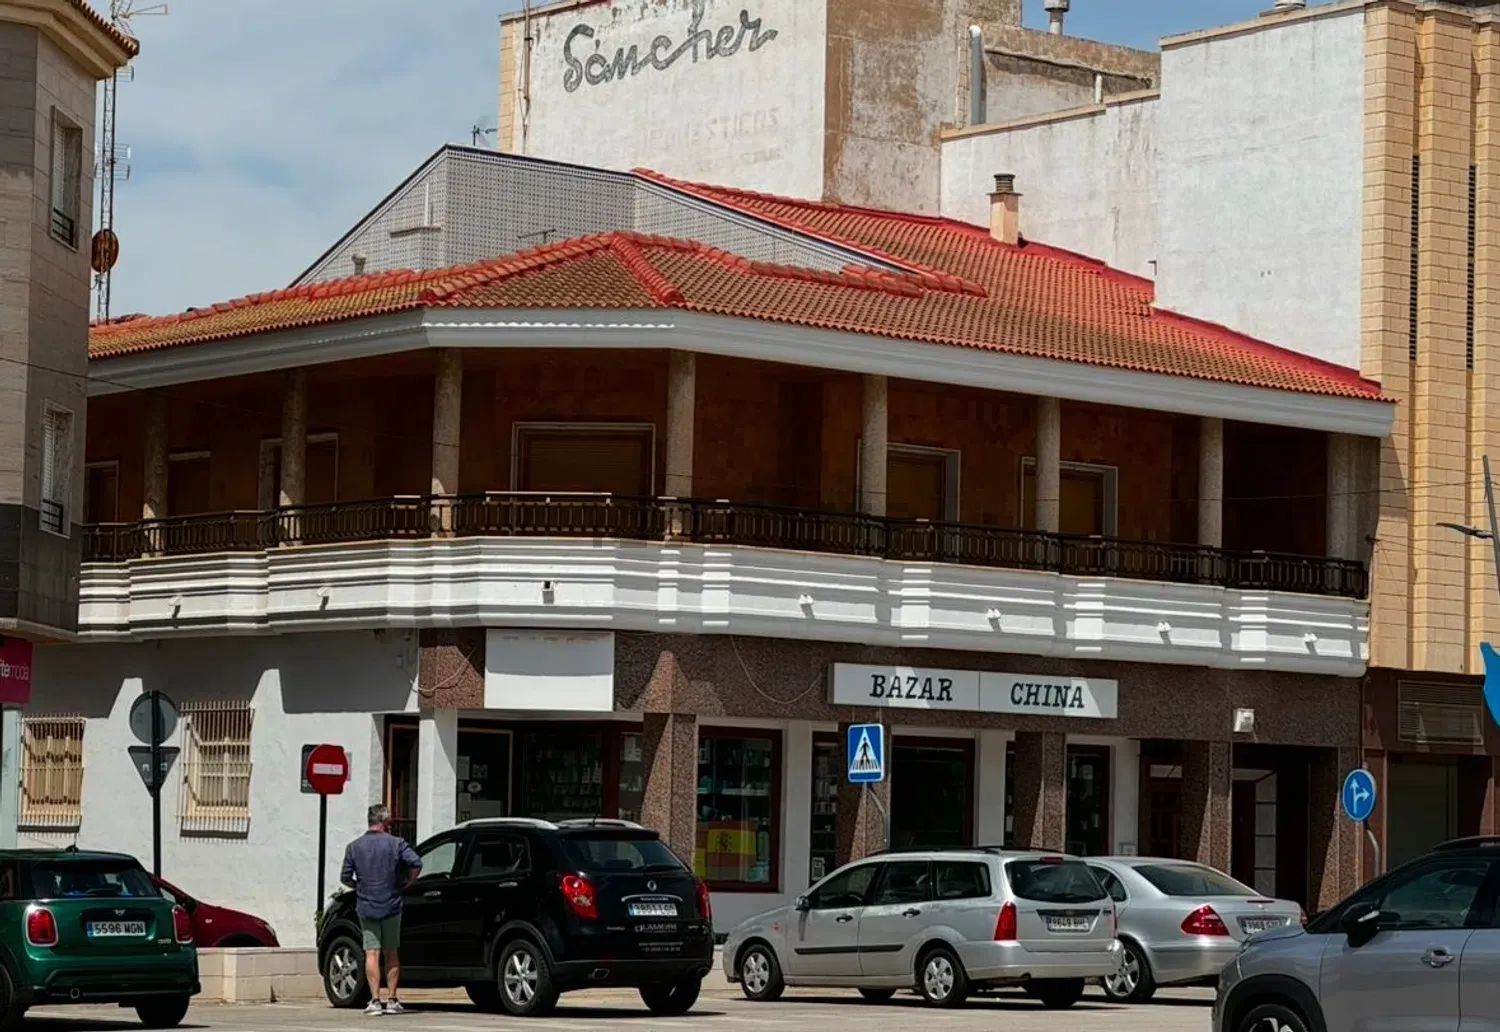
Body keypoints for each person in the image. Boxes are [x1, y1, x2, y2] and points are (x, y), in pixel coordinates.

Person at [341, 805, 421, 1015]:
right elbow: (416, 862)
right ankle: (392, 999)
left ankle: (375, 1000)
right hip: (392, 904)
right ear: (384, 822)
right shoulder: (396, 844)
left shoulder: (354, 847)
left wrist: (359, 886)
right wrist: (408, 882)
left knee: (371, 952)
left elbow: (345, 877)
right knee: (392, 952)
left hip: (366, 904)